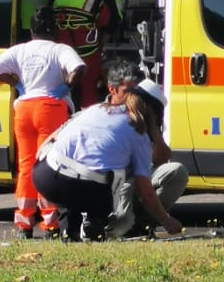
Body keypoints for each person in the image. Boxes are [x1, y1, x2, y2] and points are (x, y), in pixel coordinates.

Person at [31, 55, 183, 241]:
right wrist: (166, 221)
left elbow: (53, 140)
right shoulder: (137, 131)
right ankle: (96, 226)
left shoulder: (95, 110)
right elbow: (145, 191)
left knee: (88, 181)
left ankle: (72, 232)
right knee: (110, 198)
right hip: (93, 184)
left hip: (44, 175)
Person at [0, 5, 84, 237]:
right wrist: (64, 87)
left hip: (24, 110)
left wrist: (16, 83)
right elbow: (78, 68)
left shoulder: (19, 50)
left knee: (26, 165)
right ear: (54, 30)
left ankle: (24, 224)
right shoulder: (59, 49)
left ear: (31, 30)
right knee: (48, 165)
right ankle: (50, 224)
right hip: (50, 109)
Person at [106, 76, 188, 238]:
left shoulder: (144, 123)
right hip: (115, 180)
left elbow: (162, 159)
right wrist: (166, 219)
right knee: (122, 223)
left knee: (177, 171)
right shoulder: (112, 116)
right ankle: (110, 228)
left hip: (136, 177)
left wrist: (154, 131)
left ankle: (143, 224)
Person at [51, 0, 125, 107]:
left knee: (62, 77)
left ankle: (63, 114)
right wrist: (109, 32)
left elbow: (50, 2)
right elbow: (116, 11)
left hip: (59, 33)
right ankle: (87, 117)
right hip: (85, 35)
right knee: (88, 80)